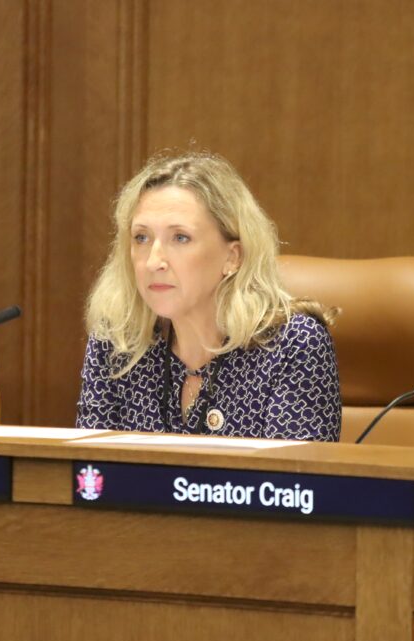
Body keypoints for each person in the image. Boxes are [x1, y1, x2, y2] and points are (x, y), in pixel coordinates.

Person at [76, 151, 341, 441]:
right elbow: (89, 467)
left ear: (232, 257)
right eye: (142, 237)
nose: (153, 261)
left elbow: (292, 470)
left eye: (180, 238)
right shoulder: (117, 344)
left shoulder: (293, 345)